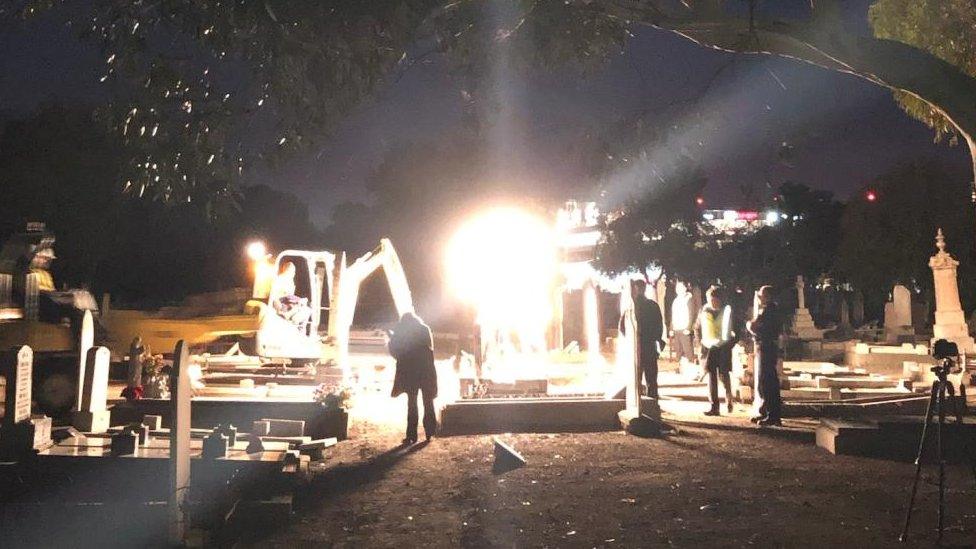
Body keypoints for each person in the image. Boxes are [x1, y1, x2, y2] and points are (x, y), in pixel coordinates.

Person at [388, 312, 438, 444]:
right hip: (425, 369)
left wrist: (400, 357)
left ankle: (411, 435)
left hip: (409, 371)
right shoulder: (424, 328)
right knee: (428, 401)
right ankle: (430, 432)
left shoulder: (401, 330)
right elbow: (430, 349)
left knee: (412, 403)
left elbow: (393, 349)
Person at [620, 279, 665, 399]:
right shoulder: (651, 305)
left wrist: (631, 339)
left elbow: (622, 327)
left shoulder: (631, 307)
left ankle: (638, 401)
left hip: (638, 346)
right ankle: (652, 403)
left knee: (637, 377)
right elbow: (659, 326)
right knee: (651, 378)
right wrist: (657, 339)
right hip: (648, 345)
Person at [696, 285, 736, 416]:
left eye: (714, 299)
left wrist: (731, 344)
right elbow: (697, 327)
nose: (712, 302)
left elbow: (736, 329)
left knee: (724, 375)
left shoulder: (727, 311)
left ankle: (729, 398)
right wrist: (700, 341)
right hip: (709, 349)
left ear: (720, 299)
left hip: (723, 348)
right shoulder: (703, 310)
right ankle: (714, 406)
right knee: (711, 376)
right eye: (709, 299)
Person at [747, 285, 784, 427]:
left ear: (768, 296)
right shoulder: (769, 310)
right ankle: (765, 410)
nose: (760, 297)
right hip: (765, 346)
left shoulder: (770, 311)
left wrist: (751, 326)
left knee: (768, 381)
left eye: (762, 295)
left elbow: (759, 327)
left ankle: (773, 415)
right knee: (763, 380)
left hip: (767, 347)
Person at [270, 262, 312, 326]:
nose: (294, 274)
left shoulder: (287, 280)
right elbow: (287, 296)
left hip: (284, 303)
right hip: (281, 303)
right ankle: (296, 326)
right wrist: (299, 300)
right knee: (306, 309)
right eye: (293, 271)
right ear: (288, 270)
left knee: (304, 308)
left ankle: (296, 325)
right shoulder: (282, 280)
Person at [670, 280, 696, 369]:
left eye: (680, 287)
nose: (678, 289)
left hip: (685, 328)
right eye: (677, 287)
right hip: (677, 328)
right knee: (678, 350)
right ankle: (681, 367)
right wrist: (671, 329)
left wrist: (689, 328)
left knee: (688, 349)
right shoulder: (675, 301)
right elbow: (673, 315)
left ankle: (691, 367)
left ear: (685, 288)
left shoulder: (689, 299)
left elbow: (692, 314)